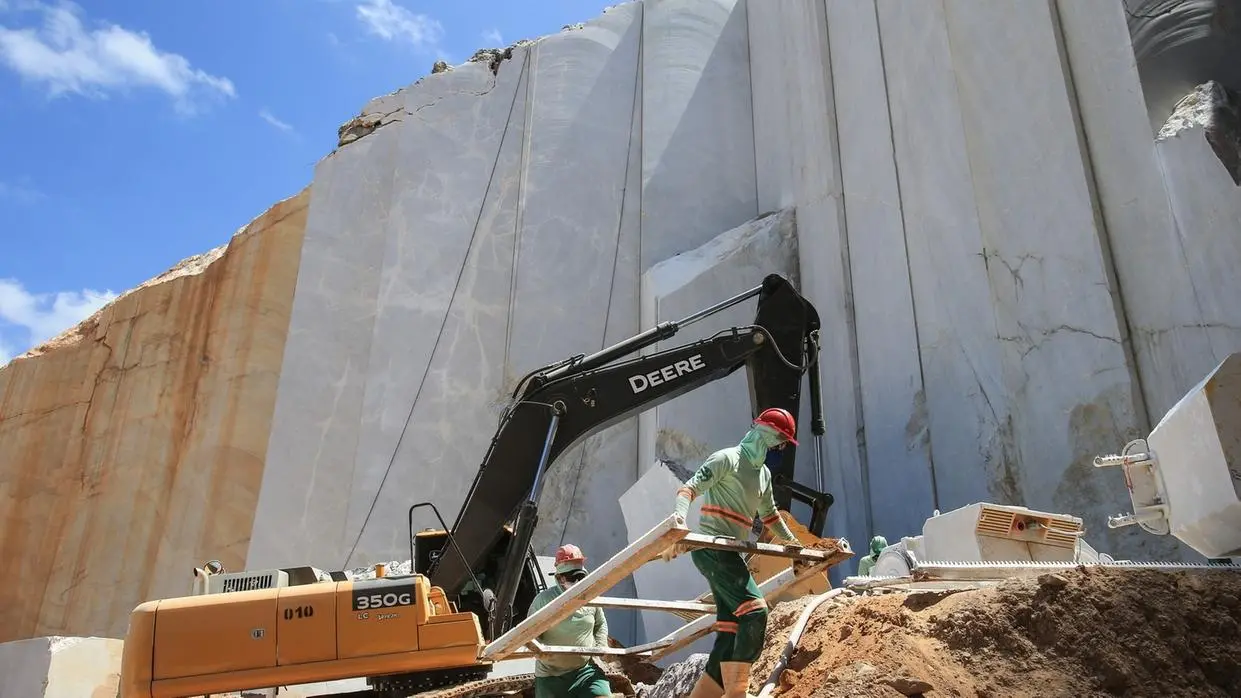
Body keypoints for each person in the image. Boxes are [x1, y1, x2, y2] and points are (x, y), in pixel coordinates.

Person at [669, 408, 804, 698]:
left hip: (731, 552)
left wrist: (793, 542)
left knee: (730, 629)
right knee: (755, 612)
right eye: (780, 441)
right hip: (713, 548)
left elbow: (769, 515)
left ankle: (704, 695)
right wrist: (679, 522)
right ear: (765, 433)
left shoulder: (764, 475)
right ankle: (737, 693)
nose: (780, 449)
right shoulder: (726, 459)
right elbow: (689, 489)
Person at [527, 544, 613, 698]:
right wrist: (540, 652)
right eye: (572, 577)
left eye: (580, 576)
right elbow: (528, 633)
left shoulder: (591, 598)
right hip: (551, 676)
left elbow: (600, 623)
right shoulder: (544, 601)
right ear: (560, 578)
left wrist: (601, 646)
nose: (577, 581)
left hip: (584, 671)